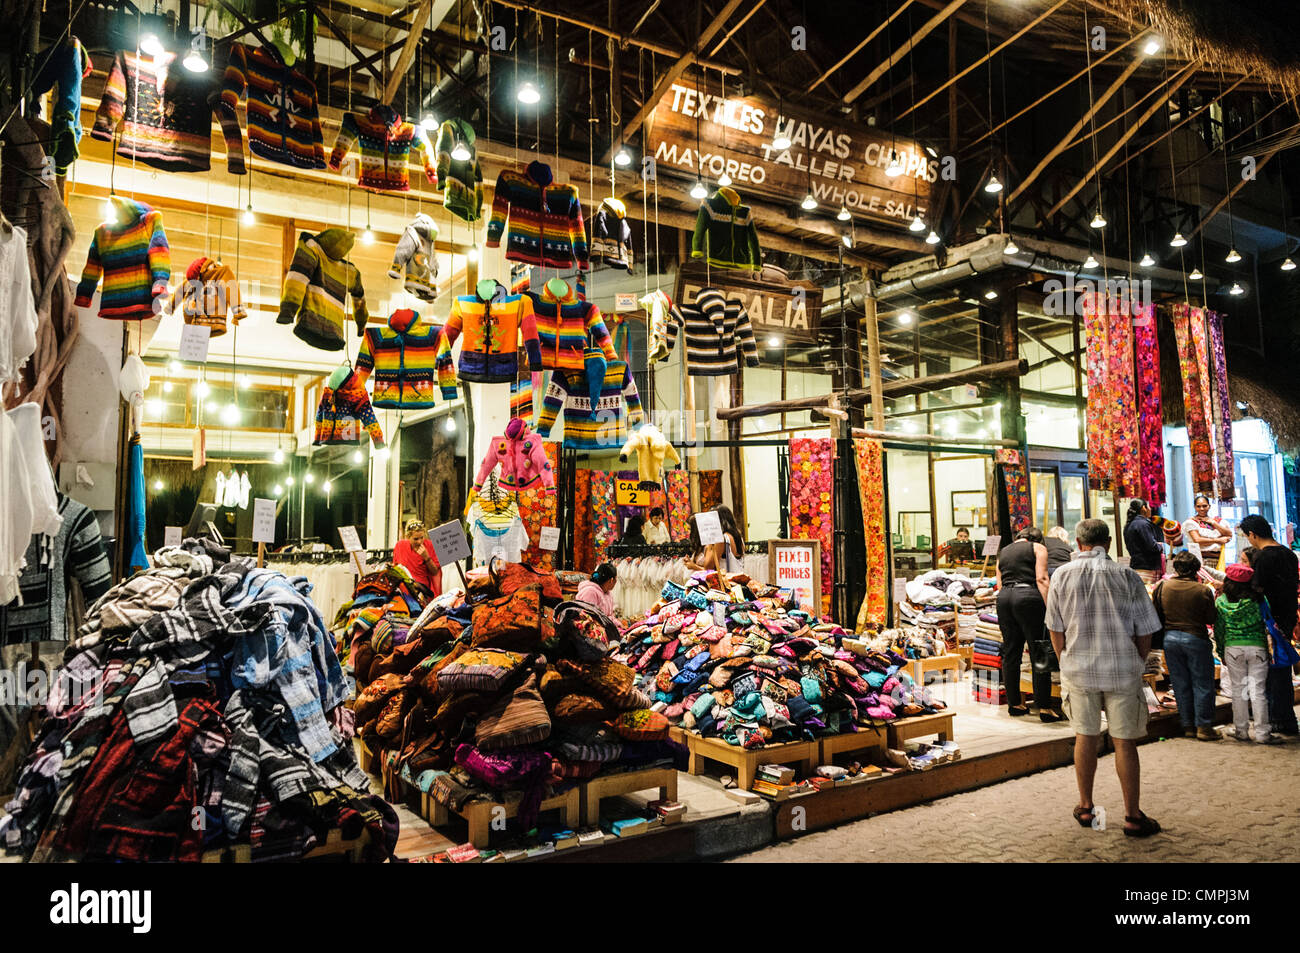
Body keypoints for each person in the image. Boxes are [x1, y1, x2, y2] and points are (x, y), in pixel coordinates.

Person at [1045, 518, 1163, 837]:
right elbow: (1146, 629)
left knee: (1085, 736)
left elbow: (1055, 627)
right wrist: (1136, 662)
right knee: (1125, 742)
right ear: (1108, 542)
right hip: (1123, 670)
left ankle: (1086, 807)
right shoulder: (1128, 576)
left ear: (1078, 543)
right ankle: (1132, 816)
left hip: (1079, 669)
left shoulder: (1062, 576)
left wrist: (1064, 658)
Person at [1239, 514, 1300, 736]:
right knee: (1281, 670)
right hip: (1286, 616)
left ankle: (1279, 719)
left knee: (1271, 672)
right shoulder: (1289, 554)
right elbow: (1293, 587)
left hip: (1269, 620)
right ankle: (1285, 718)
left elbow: (1258, 589)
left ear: (1253, 535)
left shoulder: (1263, 558)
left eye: (1248, 536)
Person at [995, 526, 1062, 721]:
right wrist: (1051, 607)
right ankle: (1044, 707)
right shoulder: (1037, 548)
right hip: (1028, 597)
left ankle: (1015, 704)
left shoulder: (1003, 552)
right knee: (1039, 650)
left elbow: (1000, 583)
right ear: (1037, 539)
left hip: (1005, 598)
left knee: (1010, 652)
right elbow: (1041, 578)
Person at [1152, 551, 1218, 740]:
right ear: (1196, 569)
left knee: (1180, 683)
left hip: (1170, 639)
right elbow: (1210, 618)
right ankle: (1204, 727)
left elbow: (1156, 614)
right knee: (1202, 683)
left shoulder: (1162, 586)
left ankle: (1187, 725)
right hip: (1196, 637)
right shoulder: (1203, 590)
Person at [1214, 564, 1276, 744]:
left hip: (1232, 648)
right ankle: (1263, 733)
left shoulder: (1221, 602)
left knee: (1238, 690)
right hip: (1257, 648)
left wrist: (1220, 651)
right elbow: (1268, 622)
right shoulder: (1260, 600)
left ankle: (1241, 730)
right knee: (1258, 691)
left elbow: (1219, 629)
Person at [392, 519, 442, 597]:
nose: (419, 542)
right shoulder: (400, 546)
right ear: (408, 537)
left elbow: (435, 572)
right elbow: (395, 568)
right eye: (416, 539)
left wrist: (426, 557)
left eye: (422, 538)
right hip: (403, 586)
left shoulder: (429, 545)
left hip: (422, 588)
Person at [1182, 495, 1233, 568]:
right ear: (1195, 507)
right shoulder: (1191, 522)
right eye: (1198, 506)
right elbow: (1197, 540)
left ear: (1209, 506)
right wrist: (1218, 540)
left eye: (1204, 506)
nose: (1202, 509)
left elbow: (1229, 534)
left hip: (1218, 559)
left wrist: (1214, 523)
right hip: (1200, 560)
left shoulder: (1217, 520)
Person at [1123, 499, 1163, 584]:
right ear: (1144, 508)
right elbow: (1152, 546)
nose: (1150, 509)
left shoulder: (1129, 524)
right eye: (1149, 506)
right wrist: (1159, 546)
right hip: (1146, 568)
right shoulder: (1143, 524)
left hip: (1136, 566)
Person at [714, 504, 746, 573]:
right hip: (739, 575)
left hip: (727, 578)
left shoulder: (723, 539)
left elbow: (712, 563)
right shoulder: (739, 536)